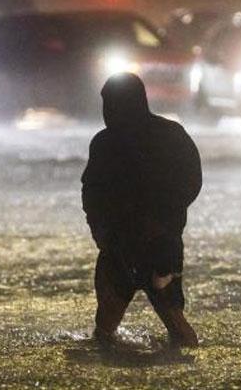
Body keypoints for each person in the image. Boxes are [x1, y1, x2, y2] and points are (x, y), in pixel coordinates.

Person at [81, 72, 202, 347]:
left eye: (110, 103)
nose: (106, 111)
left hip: (143, 245)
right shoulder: (167, 135)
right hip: (138, 245)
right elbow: (191, 182)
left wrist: (160, 220)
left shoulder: (109, 143)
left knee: (110, 330)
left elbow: (92, 192)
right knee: (169, 323)